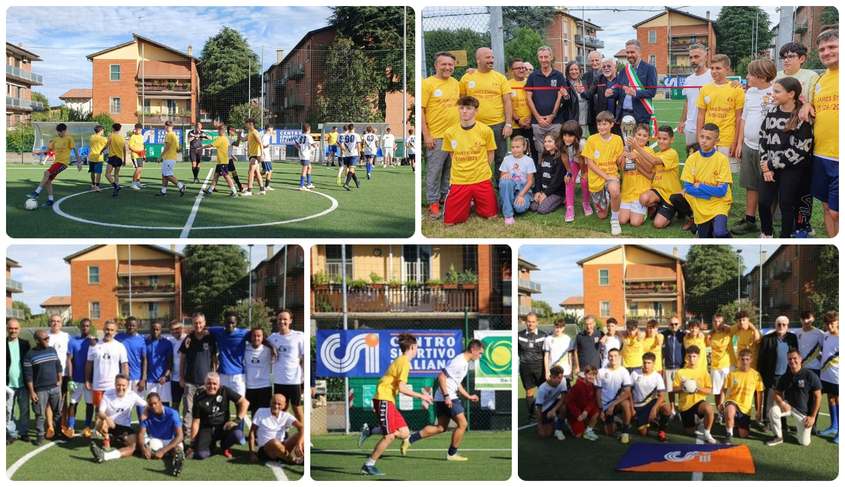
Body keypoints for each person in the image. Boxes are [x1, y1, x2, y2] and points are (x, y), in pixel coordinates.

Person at [358, 333, 434, 475]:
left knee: (405, 433)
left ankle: (371, 430)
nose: (417, 349)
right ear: (412, 346)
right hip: (383, 399)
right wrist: (422, 396)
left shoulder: (403, 361)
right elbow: (402, 388)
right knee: (389, 436)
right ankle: (368, 465)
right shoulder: (404, 362)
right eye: (417, 346)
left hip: (388, 401)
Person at [401, 339, 484, 458]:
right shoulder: (459, 361)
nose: (480, 356)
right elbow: (441, 377)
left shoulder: (464, 362)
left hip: (443, 397)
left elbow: (456, 382)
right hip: (448, 396)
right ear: (473, 350)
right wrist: (447, 397)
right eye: (480, 353)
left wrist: (468, 396)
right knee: (463, 424)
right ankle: (452, 453)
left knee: (441, 427)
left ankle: (409, 439)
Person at [757, 77, 814, 238]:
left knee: (786, 203)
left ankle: (786, 235)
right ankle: (767, 232)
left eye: (776, 91)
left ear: (791, 94)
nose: (772, 94)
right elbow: (763, 138)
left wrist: (772, 165)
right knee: (763, 202)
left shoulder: (802, 116)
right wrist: (765, 164)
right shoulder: (772, 112)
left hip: (791, 169)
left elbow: (801, 150)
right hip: (769, 167)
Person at [775, 41, 820, 237]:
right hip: (780, 138)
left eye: (790, 56)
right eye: (783, 56)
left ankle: (802, 223)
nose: (786, 60)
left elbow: (815, 101)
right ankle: (789, 222)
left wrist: (807, 103)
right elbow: (758, 83)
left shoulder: (811, 76)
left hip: (802, 138)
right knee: (785, 186)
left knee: (802, 185)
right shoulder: (776, 77)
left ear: (802, 59)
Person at [732, 59, 777, 236]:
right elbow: (744, 117)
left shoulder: (776, 91)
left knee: (769, 186)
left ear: (763, 77)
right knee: (751, 185)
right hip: (749, 146)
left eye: (750, 74)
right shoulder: (749, 92)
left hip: (769, 150)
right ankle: (750, 220)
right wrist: (740, 142)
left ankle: (768, 223)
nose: (747, 77)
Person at [800, 30, 839, 237]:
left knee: (836, 212)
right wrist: (807, 106)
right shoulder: (821, 80)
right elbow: (815, 108)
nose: (826, 52)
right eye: (822, 49)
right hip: (821, 154)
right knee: (826, 207)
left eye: (832, 47)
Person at [442, 95, 498, 226]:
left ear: (476, 111)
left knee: (492, 217)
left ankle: (474, 203)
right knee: (449, 223)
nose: (464, 111)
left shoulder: (486, 130)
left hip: (481, 178)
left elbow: (491, 154)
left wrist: (482, 169)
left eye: (468, 108)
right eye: (461, 108)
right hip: (459, 179)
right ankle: (467, 202)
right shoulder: (450, 132)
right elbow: (452, 154)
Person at [670, 124, 733, 238]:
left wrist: (699, 185)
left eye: (708, 138)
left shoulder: (722, 160)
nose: (704, 141)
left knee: (719, 233)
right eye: (702, 137)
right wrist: (711, 194)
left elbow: (722, 192)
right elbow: (689, 189)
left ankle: (728, 239)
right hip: (701, 205)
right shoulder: (692, 159)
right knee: (704, 239)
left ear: (716, 141)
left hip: (719, 203)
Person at [460, 47, 512, 172]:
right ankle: (478, 183)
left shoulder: (500, 78)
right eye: (487, 57)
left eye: (492, 57)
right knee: (476, 156)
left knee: (500, 158)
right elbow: (461, 103)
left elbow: (507, 101)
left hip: (497, 125)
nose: (491, 60)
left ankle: (500, 187)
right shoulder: (467, 78)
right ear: (478, 59)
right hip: (474, 126)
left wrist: (508, 124)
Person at [422, 51, 461, 220]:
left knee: (450, 171)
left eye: (450, 64)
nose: (447, 67)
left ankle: (445, 197)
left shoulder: (456, 83)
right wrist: (426, 135)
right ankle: (432, 204)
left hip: (454, 137)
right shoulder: (427, 84)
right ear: (436, 66)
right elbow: (421, 110)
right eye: (443, 64)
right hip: (436, 137)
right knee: (434, 171)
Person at [695, 54, 744, 174]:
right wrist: (699, 137)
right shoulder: (705, 89)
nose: (714, 71)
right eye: (712, 68)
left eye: (718, 68)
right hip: (708, 139)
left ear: (727, 70)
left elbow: (739, 118)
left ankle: (726, 194)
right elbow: (701, 115)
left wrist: (736, 142)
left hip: (727, 139)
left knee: (726, 177)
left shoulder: (736, 89)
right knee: (707, 174)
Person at [581, 110, 625, 235]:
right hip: (597, 179)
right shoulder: (592, 140)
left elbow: (617, 161)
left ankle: (615, 220)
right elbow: (590, 164)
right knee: (602, 216)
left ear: (612, 124)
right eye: (599, 124)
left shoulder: (617, 139)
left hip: (612, 175)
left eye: (605, 124)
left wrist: (623, 154)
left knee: (615, 190)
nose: (601, 127)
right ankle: (606, 197)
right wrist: (605, 176)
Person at [767, 348, 822, 446]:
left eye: (794, 358)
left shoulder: (810, 375)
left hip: (803, 412)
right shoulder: (785, 376)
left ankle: (800, 428)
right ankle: (778, 436)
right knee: (773, 411)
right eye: (789, 359)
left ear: (800, 359)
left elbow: (818, 397)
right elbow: (777, 393)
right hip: (789, 406)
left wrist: (813, 417)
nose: (792, 361)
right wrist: (781, 404)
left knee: (804, 442)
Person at [630, 125, 682, 229]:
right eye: (659, 138)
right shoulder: (657, 153)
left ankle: (673, 209)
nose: (661, 141)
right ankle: (657, 207)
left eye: (665, 139)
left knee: (658, 224)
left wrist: (636, 147)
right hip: (658, 191)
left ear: (672, 140)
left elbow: (654, 161)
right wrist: (635, 163)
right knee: (643, 199)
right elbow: (649, 174)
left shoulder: (672, 153)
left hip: (670, 195)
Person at [188, 372, 250, 459]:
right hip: (207, 428)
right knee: (200, 455)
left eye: (214, 384)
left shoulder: (225, 391)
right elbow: (196, 422)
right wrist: (193, 444)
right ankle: (211, 445)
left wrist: (236, 420)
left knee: (239, 436)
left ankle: (224, 447)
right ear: (205, 384)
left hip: (224, 426)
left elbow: (245, 403)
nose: (212, 386)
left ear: (219, 385)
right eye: (209, 383)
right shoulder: (199, 398)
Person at [88, 374, 146, 463]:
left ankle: (107, 452)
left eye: (123, 385)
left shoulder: (132, 395)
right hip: (108, 425)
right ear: (115, 384)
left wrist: (145, 413)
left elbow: (147, 405)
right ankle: (107, 438)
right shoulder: (108, 393)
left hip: (124, 427)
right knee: (99, 420)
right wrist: (107, 418)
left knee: (135, 446)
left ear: (128, 386)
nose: (121, 387)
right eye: (118, 385)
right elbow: (100, 412)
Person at [525, 46, 566, 158]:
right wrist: (538, 118)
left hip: (556, 121)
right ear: (538, 58)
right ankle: (541, 175)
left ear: (551, 57)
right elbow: (528, 98)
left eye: (546, 57)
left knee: (557, 150)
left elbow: (560, 96)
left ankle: (557, 174)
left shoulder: (558, 75)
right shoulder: (533, 76)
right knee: (540, 152)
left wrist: (553, 115)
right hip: (538, 122)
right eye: (541, 57)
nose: (543, 60)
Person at [179, 313, 218, 432]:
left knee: (206, 409)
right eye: (196, 323)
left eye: (200, 322)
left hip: (205, 383)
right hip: (190, 381)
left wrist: (214, 376)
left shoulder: (210, 338)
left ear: (204, 323)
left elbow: (214, 358)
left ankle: (204, 432)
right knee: (188, 409)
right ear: (192, 324)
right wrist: (182, 377)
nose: (198, 325)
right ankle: (187, 433)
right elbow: (183, 359)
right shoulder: (188, 339)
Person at [759, 316, 799, 429]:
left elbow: (796, 355)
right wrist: (759, 374)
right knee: (769, 400)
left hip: (787, 375)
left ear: (788, 326)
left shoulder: (792, 338)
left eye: (784, 325)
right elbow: (761, 358)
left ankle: (783, 422)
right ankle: (767, 422)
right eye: (779, 324)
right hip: (771, 375)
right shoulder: (767, 338)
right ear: (775, 326)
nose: (781, 326)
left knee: (785, 400)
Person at [28, 123, 82, 206]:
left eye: (61, 132)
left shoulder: (69, 139)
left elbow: (75, 151)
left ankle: (37, 192)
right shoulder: (56, 139)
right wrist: (39, 151)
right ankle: (50, 200)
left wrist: (79, 163)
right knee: (48, 180)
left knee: (46, 173)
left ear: (65, 131)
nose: (59, 133)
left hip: (63, 163)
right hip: (56, 163)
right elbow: (49, 149)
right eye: (58, 132)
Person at [24, 330, 63, 445]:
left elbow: (58, 366)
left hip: (55, 388)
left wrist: (60, 380)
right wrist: (32, 392)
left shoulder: (52, 350)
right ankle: (40, 435)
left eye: (48, 338)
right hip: (40, 390)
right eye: (44, 339)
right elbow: (28, 375)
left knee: (58, 412)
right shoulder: (30, 355)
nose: (47, 340)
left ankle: (58, 433)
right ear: (37, 340)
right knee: (40, 414)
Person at [672, 345, 717, 443]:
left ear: (698, 357)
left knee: (709, 409)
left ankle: (707, 433)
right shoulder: (680, 372)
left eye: (694, 356)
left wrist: (699, 388)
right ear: (686, 357)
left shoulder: (703, 372)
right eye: (689, 356)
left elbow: (710, 391)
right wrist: (681, 387)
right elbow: (674, 390)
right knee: (690, 432)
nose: (691, 359)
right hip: (685, 405)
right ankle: (694, 419)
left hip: (698, 402)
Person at [268, 309, 305, 423]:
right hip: (279, 381)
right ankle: (285, 434)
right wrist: (272, 348)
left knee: (297, 409)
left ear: (290, 321)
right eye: (280, 319)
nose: (282, 321)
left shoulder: (299, 336)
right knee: (282, 410)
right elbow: (261, 342)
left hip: (294, 381)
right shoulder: (272, 337)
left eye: (285, 319)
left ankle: (303, 434)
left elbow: (304, 358)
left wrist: (305, 378)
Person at [611, 39, 658, 129]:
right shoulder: (623, 70)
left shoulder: (649, 68)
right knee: (625, 142)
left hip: (641, 115)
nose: (629, 55)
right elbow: (619, 91)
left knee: (641, 143)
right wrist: (611, 93)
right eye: (627, 52)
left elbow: (652, 92)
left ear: (640, 52)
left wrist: (635, 93)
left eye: (632, 52)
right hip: (624, 114)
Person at [721, 349, 764, 444]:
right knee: (730, 410)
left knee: (743, 435)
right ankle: (729, 434)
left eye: (747, 359)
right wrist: (721, 403)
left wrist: (758, 411)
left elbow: (759, 393)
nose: (744, 362)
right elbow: (724, 389)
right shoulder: (732, 373)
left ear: (751, 359)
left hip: (745, 408)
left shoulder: (756, 375)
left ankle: (736, 421)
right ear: (738, 359)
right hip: (732, 401)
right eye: (742, 359)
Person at [138, 392, 185, 476]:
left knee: (176, 450)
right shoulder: (146, 414)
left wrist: (163, 451)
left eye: (155, 403)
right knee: (137, 442)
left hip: (170, 440)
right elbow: (141, 433)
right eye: (151, 404)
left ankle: (176, 463)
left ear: (160, 401)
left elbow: (180, 436)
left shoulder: (172, 413)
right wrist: (142, 448)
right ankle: (173, 458)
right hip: (154, 439)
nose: (153, 406)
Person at [85, 321, 129, 411]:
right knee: (99, 410)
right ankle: (98, 425)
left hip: (113, 385)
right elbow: (89, 364)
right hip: (98, 385)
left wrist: (126, 381)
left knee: (112, 410)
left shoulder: (120, 346)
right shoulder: (94, 345)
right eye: (107, 329)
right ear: (104, 329)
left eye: (112, 330)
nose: (109, 332)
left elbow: (124, 365)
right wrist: (87, 380)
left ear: (115, 331)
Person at [249, 394, 304, 465]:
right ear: (270, 402)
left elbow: (302, 427)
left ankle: (305, 458)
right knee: (274, 442)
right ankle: (293, 460)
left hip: (282, 446)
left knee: (300, 435)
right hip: (266, 450)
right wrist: (252, 453)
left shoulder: (285, 415)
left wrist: (299, 443)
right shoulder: (261, 411)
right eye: (274, 403)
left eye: (279, 404)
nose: (276, 406)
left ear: (284, 405)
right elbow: (252, 432)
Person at [206, 312, 249, 398]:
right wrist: (189, 336)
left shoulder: (243, 333)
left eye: (232, 323)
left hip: (239, 376)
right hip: (223, 375)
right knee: (222, 405)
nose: (230, 325)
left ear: (236, 323)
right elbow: (201, 329)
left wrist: (271, 347)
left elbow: (259, 335)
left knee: (240, 403)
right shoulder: (218, 331)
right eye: (228, 322)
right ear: (224, 322)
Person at [620, 124, 655, 227]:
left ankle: (647, 209)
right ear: (634, 135)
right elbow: (623, 169)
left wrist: (638, 156)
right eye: (639, 134)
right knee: (622, 221)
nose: (641, 138)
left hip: (640, 192)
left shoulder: (649, 151)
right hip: (627, 191)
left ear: (648, 138)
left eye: (645, 136)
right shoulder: (628, 148)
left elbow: (649, 169)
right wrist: (623, 156)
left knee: (635, 223)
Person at [678, 44, 714, 145]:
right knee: (691, 158)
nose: (693, 60)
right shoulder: (688, 80)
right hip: (690, 128)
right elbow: (687, 101)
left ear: (706, 57)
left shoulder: (713, 76)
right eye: (691, 57)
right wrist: (682, 121)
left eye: (697, 57)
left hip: (708, 128)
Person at [595, 348, 633, 443]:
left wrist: (613, 405)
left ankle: (625, 433)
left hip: (617, 403)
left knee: (626, 404)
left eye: (615, 356)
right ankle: (618, 422)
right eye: (611, 356)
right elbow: (598, 392)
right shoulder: (601, 372)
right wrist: (601, 410)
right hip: (605, 404)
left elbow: (628, 392)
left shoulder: (624, 371)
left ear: (619, 357)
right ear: (607, 357)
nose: (613, 358)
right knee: (608, 432)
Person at [631, 352, 672, 441]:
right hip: (638, 406)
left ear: (653, 363)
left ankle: (661, 431)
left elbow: (661, 396)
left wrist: (654, 409)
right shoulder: (635, 373)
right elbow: (628, 392)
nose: (646, 365)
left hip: (651, 402)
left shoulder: (657, 376)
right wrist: (632, 408)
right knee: (644, 433)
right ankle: (650, 421)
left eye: (649, 363)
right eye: (644, 362)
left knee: (667, 408)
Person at [518, 312, 548, 424]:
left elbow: (547, 353)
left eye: (533, 322)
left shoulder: (544, 335)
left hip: (540, 367)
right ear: (526, 322)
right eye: (529, 321)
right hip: (525, 367)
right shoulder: (519, 335)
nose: (531, 324)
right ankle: (531, 415)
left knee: (542, 391)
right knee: (529, 391)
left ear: (537, 322)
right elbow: (517, 351)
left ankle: (544, 413)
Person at [558, 120, 591, 221]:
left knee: (584, 181)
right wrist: (569, 172)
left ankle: (586, 203)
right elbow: (564, 158)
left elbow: (582, 159)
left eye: (570, 136)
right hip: (575, 161)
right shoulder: (562, 142)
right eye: (565, 135)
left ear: (576, 136)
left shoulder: (582, 143)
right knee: (569, 180)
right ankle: (570, 207)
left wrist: (583, 173)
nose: (567, 139)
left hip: (586, 163)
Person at [498, 135, 535, 225]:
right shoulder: (507, 159)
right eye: (513, 147)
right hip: (510, 185)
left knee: (520, 208)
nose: (515, 149)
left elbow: (530, 181)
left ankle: (509, 202)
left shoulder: (529, 161)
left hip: (522, 187)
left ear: (524, 147)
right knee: (505, 181)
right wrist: (506, 174)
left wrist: (521, 195)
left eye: (518, 147)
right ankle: (508, 215)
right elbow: (501, 180)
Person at [115, 316, 147, 420]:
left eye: (133, 325)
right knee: (124, 403)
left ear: (137, 326)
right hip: (123, 377)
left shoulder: (142, 340)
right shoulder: (118, 337)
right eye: (129, 325)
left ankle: (143, 427)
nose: (131, 327)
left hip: (137, 378)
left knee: (139, 403)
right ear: (125, 325)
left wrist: (143, 379)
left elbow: (144, 360)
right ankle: (125, 426)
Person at [67, 318, 95, 437]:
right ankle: (70, 427)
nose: (85, 328)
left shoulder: (95, 342)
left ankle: (87, 426)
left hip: (91, 380)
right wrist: (70, 378)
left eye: (87, 326)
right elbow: (69, 360)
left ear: (90, 327)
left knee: (89, 404)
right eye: (83, 326)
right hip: (76, 379)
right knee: (73, 403)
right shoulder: (73, 341)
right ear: (80, 327)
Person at [706, 314, 736, 421]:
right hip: (715, 367)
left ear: (723, 322)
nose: (717, 324)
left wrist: (727, 325)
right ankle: (719, 413)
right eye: (715, 321)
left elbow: (741, 325)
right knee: (717, 392)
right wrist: (709, 332)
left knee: (730, 392)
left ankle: (732, 413)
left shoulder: (729, 331)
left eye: (720, 321)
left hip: (729, 366)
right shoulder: (710, 336)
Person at [529, 133, 568, 215]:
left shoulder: (560, 158)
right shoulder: (543, 156)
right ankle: (545, 198)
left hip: (556, 192)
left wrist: (546, 194)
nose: (546, 144)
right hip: (543, 189)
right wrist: (537, 191)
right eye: (545, 141)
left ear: (557, 142)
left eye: (550, 141)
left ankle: (562, 199)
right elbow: (538, 175)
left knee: (542, 210)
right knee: (533, 207)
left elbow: (558, 179)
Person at [583, 58, 622, 138]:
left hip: (617, 120)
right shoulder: (598, 79)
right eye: (604, 67)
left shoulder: (621, 80)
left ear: (615, 67)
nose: (606, 68)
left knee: (618, 143)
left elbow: (624, 97)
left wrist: (619, 116)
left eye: (609, 66)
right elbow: (589, 94)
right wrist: (582, 91)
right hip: (603, 120)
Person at [45, 315, 70, 439]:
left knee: (63, 401)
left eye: (58, 321)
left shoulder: (66, 336)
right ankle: (50, 427)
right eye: (53, 321)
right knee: (49, 402)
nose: (55, 323)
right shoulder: (44, 335)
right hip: (48, 375)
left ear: (61, 323)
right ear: (50, 323)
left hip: (63, 374)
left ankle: (62, 425)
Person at [6, 319, 30, 443]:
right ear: (7, 329)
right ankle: (11, 433)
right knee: (8, 410)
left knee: (24, 409)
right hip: (7, 385)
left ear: (19, 329)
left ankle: (24, 432)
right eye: (11, 328)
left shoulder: (25, 344)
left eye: (15, 328)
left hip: (23, 384)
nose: (13, 331)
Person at [508, 58, 536, 163]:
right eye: (518, 68)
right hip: (516, 125)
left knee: (534, 151)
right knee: (518, 153)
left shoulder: (531, 83)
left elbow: (536, 102)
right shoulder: (508, 85)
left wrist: (531, 118)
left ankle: (534, 176)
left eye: (523, 68)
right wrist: (517, 120)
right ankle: (518, 176)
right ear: (512, 71)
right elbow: (508, 105)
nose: (521, 70)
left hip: (531, 123)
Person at [200, 126, 238, 197]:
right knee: (216, 175)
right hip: (222, 161)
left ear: (221, 131)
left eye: (218, 130)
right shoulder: (226, 139)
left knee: (226, 176)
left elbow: (210, 145)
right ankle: (210, 190)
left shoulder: (221, 139)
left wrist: (200, 148)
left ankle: (234, 191)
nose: (218, 132)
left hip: (222, 161)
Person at [818, 311, 839, 442]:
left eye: (832, 324)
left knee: (839, 401)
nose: (829, 327)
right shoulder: (825, 336)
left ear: (837, 322)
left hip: (838, 376)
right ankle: (834, 426)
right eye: (827, 324)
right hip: (825, 375)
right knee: (830, 399)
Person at [245, 327, 274, 417]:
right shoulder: (245, 349)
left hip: (264, 385)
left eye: (259, 336)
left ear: (262, 337)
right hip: (250, 386)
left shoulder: (269, 349)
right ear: (250, 337)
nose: (256, 338)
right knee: (253, 411)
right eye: (254, 336)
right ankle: (254, 430)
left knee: (265, 412)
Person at [565, 364, 600, 440]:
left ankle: (588, 430)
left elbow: (592, 401)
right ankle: (569, 423)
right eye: (589, 374)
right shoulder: (577, 386)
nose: (591, 377)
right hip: (575, 412)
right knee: (578, 435)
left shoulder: (593, 386)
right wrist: (577, 414)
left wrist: (586, 411)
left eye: (593, 375)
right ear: (584, 374)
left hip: (584, 411)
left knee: (596, 411)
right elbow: (570, 402)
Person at [534, 365, 568, 440]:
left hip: (554, 403)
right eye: (554, 377)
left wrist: (553, 410)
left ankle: (558, 429)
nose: (557, 380)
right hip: (544, 408)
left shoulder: (563, 381)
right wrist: (539, 426)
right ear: (550, 377)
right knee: (547, 434)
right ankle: (552, 420)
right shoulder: (542, 388)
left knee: (564, 407)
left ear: (562, 377)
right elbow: (538, 408)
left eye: (559, 377)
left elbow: (563, 398)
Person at [154, 120, 187, 196]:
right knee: (164, 174)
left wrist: (160, 157)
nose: (166, 127)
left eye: (167, 126)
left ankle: (181, 186)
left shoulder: (169, 135)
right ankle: (163, 191)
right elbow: (177, 148)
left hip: (169, 158)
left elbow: (167, 146)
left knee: (167, 175)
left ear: (166, 126)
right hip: (172, 157)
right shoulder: (175, 135)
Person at [145, 320, 173, 407]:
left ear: (161, 330)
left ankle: (165, 421)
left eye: (157, 329)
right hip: (150, 380)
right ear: (150, 330)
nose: (155, 331)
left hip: (164, 380)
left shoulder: (167, 343)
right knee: (152, 404)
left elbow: (170, 362)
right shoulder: (145, 342)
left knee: (164, 404)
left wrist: (165, 376)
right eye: (153, 329)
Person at [661, 317, 685, 418]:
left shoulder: (683, 335)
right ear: (669, 325)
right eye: (671, 324)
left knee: (680, 390)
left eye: (676, 324)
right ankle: (672, 410)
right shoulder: (664, 334)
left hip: (681, 367)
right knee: (670, 390)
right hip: (669, 367)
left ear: (679, 324)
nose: (674, 326)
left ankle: (680, 410)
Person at [543, 320, 574, 386]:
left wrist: (571, 372)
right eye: (556, 327)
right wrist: (547, 372)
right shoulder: (548, 339)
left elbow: (570, 356)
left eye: (560, 327)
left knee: (566, 393)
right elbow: (546, 356)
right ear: (553, 327)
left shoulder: (568, 339)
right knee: (552, 393)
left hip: (565, 371)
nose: (558, 330)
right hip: (552, 371)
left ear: (563, 328)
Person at [563, 61, 590, 136]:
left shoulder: (584, 82)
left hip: (584, 118)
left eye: (576, 69)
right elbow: (564, 102)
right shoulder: (565, 83)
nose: (574, 72)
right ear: (567, 71)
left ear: (579, 70)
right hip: (572, 119)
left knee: (582, 142)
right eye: (571, 69)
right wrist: (566, 96)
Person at [241, 118, 266, 196]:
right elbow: (243, 140)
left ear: (250, 124)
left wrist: (261, 155)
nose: (246, 125)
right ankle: (262, 189)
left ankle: (249, 190)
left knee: (250, 172)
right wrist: (237, 134)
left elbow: (261, 144)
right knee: (257, 172)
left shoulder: (255, 133)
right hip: (253, 155)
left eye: (247, 124)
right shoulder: (250, 133)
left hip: (256, 155)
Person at [582, 51, 604, 136]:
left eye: (597, 60)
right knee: (593, 136)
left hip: (605, 111)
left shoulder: (607, 73)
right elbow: (586, 93)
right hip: (591, 111)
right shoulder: (586, 76)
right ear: (589, 62)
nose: (594, 63)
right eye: (592, 61)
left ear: (601, 60)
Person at [167, 320, 185, 416]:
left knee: (188, 405)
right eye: (172, 330)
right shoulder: (170, 341)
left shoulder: (188, 339)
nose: (175, 331)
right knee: (175, 404)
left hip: (187, 379)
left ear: (182, 328)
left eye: (177, 329)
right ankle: (175, 426)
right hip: (174, 378)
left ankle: (188, 428)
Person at [102, 123, 126, 197]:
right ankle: (116, 191)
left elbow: (107, 145)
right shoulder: (122, 138)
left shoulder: (111, 136)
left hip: (113, 157)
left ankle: (116, 187)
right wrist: (124, 159)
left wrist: (101, 151)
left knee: (107, 174)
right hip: (119, 158)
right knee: (116, 175)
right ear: (120, 129)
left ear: (113, 129)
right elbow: (124, 149)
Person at [296, 124, 318, 190]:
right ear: (309, 129)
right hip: (305, 155)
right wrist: (316, 144)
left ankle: (309, 183)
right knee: (304, 169)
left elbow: (295, 144)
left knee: (309, 167)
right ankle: (301, 185)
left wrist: (300, 149)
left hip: (303, 154)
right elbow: (314, 145)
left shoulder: (301, 136)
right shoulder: (308, 137)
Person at [341, 124, 362, 191]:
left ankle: (357, 182)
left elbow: (342, 144)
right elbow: (358, 145)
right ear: (354, 128)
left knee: (352, 170)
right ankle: (346, 183)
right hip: (353, 154)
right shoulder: (356, 135)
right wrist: (359, 152)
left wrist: (342, 151)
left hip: (347, 154)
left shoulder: (345, 135)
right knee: (351, 169)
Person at [88, 124, 107, 192]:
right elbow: (107, 144)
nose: (103, 132)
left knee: (92, 172)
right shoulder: (103, 139)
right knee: (98, 172)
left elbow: (93, 135)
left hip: (91, 157)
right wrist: (102, 150)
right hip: (98, 157)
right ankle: (97, 185)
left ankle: (93, 184)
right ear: (100, 130)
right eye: (102, 130)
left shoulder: (92, 137)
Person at [226, 126, 245, 191]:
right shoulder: (229, 139)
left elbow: (228, 150)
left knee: (218, 174)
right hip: (227, 159)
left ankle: (212, 187)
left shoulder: (227, 138)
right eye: (233, 131)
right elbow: (237, 144)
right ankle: (240, 187)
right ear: (229, 131)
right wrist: (239, 136)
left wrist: (233, 156)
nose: (234, 132)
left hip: (227, 158)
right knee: (233, 173)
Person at [127, 123, 146, 190]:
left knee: (140, 169)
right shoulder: (133, 137)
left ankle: (138, 182)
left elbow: (141, 146)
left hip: (140, 155)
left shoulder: (141, 136)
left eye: (140, 130)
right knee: (138, 169)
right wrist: (138, 151)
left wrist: (143, 153)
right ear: (135, 130)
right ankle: (133, 183)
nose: (139, 131)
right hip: (135, 155)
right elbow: (130, 147)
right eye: (138, 130)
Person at [260, 125, 275, 190]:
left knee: (264, 171)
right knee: (269, 171)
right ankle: (267, 186)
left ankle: (252, 178)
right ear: (268, 129)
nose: (272, 131)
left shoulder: (268, 137)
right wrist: (262, 155)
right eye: (272, 129)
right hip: (265, 157)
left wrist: (270, 156)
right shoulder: (264, 137)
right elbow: (261, 147)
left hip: (267, 157)